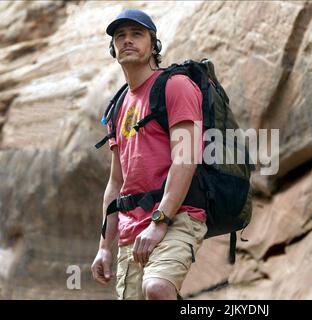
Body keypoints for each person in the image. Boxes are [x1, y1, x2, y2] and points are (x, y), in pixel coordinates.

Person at [90, 8, 207, 300]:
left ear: (153, 44)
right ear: (113, 49)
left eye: (136, 34)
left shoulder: (175, 86)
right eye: (120, 36)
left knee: (157, 288)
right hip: (131, 228)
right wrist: (105, 246)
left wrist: (159, 222)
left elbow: (186, 158)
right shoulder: (117, 106)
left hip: (177, 215)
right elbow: (116, 183)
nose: (127, 41)